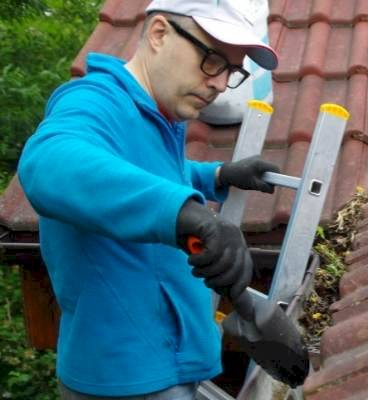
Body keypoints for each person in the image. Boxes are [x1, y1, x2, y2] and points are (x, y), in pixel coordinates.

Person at [17, 0, 281, 398]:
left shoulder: (156, 115)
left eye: (232, 70)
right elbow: (48, 162)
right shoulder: (95, 103)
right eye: (211, 60)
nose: (220, 84)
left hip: (165, 364)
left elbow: (145, 174)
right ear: (159, 34)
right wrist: (185, 213)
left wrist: (216, 176)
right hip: (127, 381)